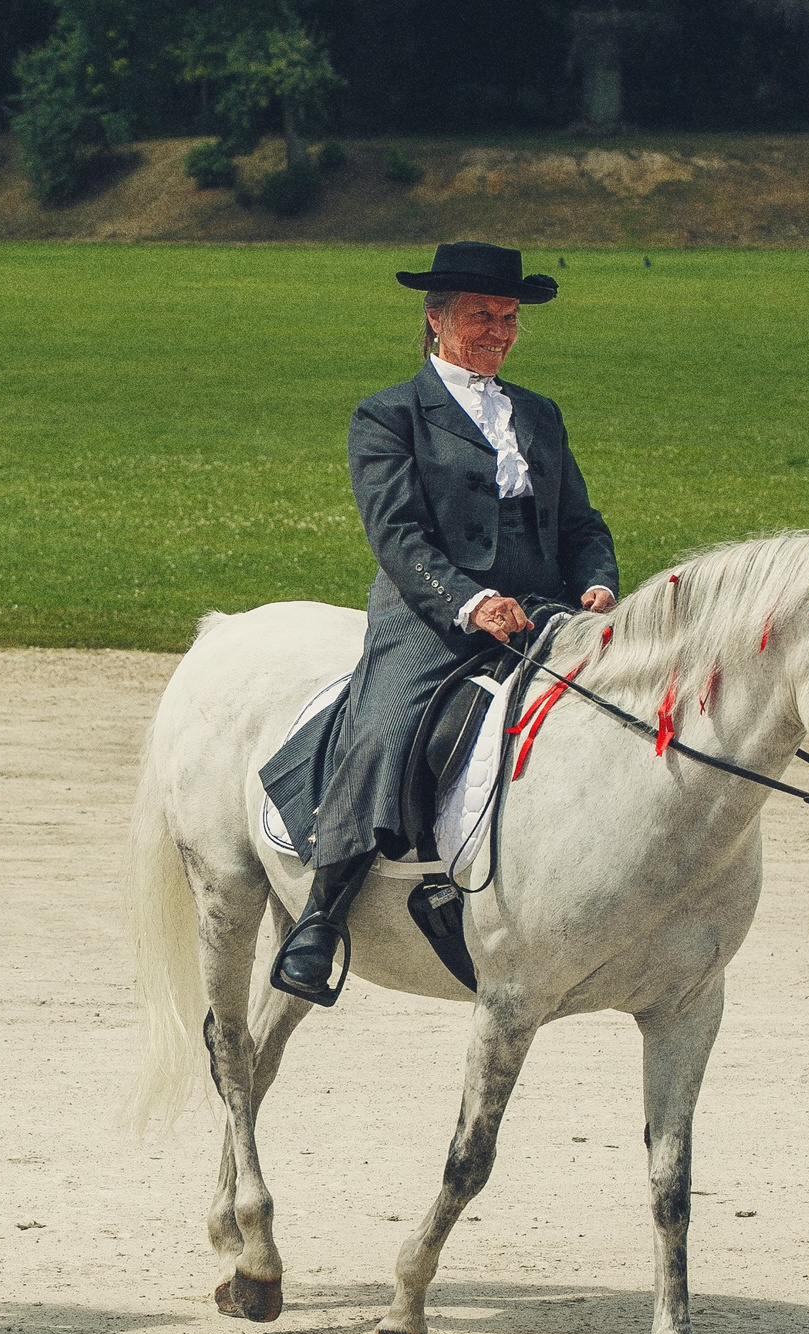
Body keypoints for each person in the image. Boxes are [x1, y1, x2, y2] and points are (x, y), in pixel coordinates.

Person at [261, 241, 620, 1005]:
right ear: (435, 320)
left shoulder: (539, 414)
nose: (500, 331)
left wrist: (596, 584)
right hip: (432, 613)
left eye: (510, 317)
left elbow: (582, 523)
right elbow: (398, 536)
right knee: (386, 724)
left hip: (543, 612)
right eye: (483, 316)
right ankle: (322, 916)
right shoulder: (389, 416)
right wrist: (469, 602)